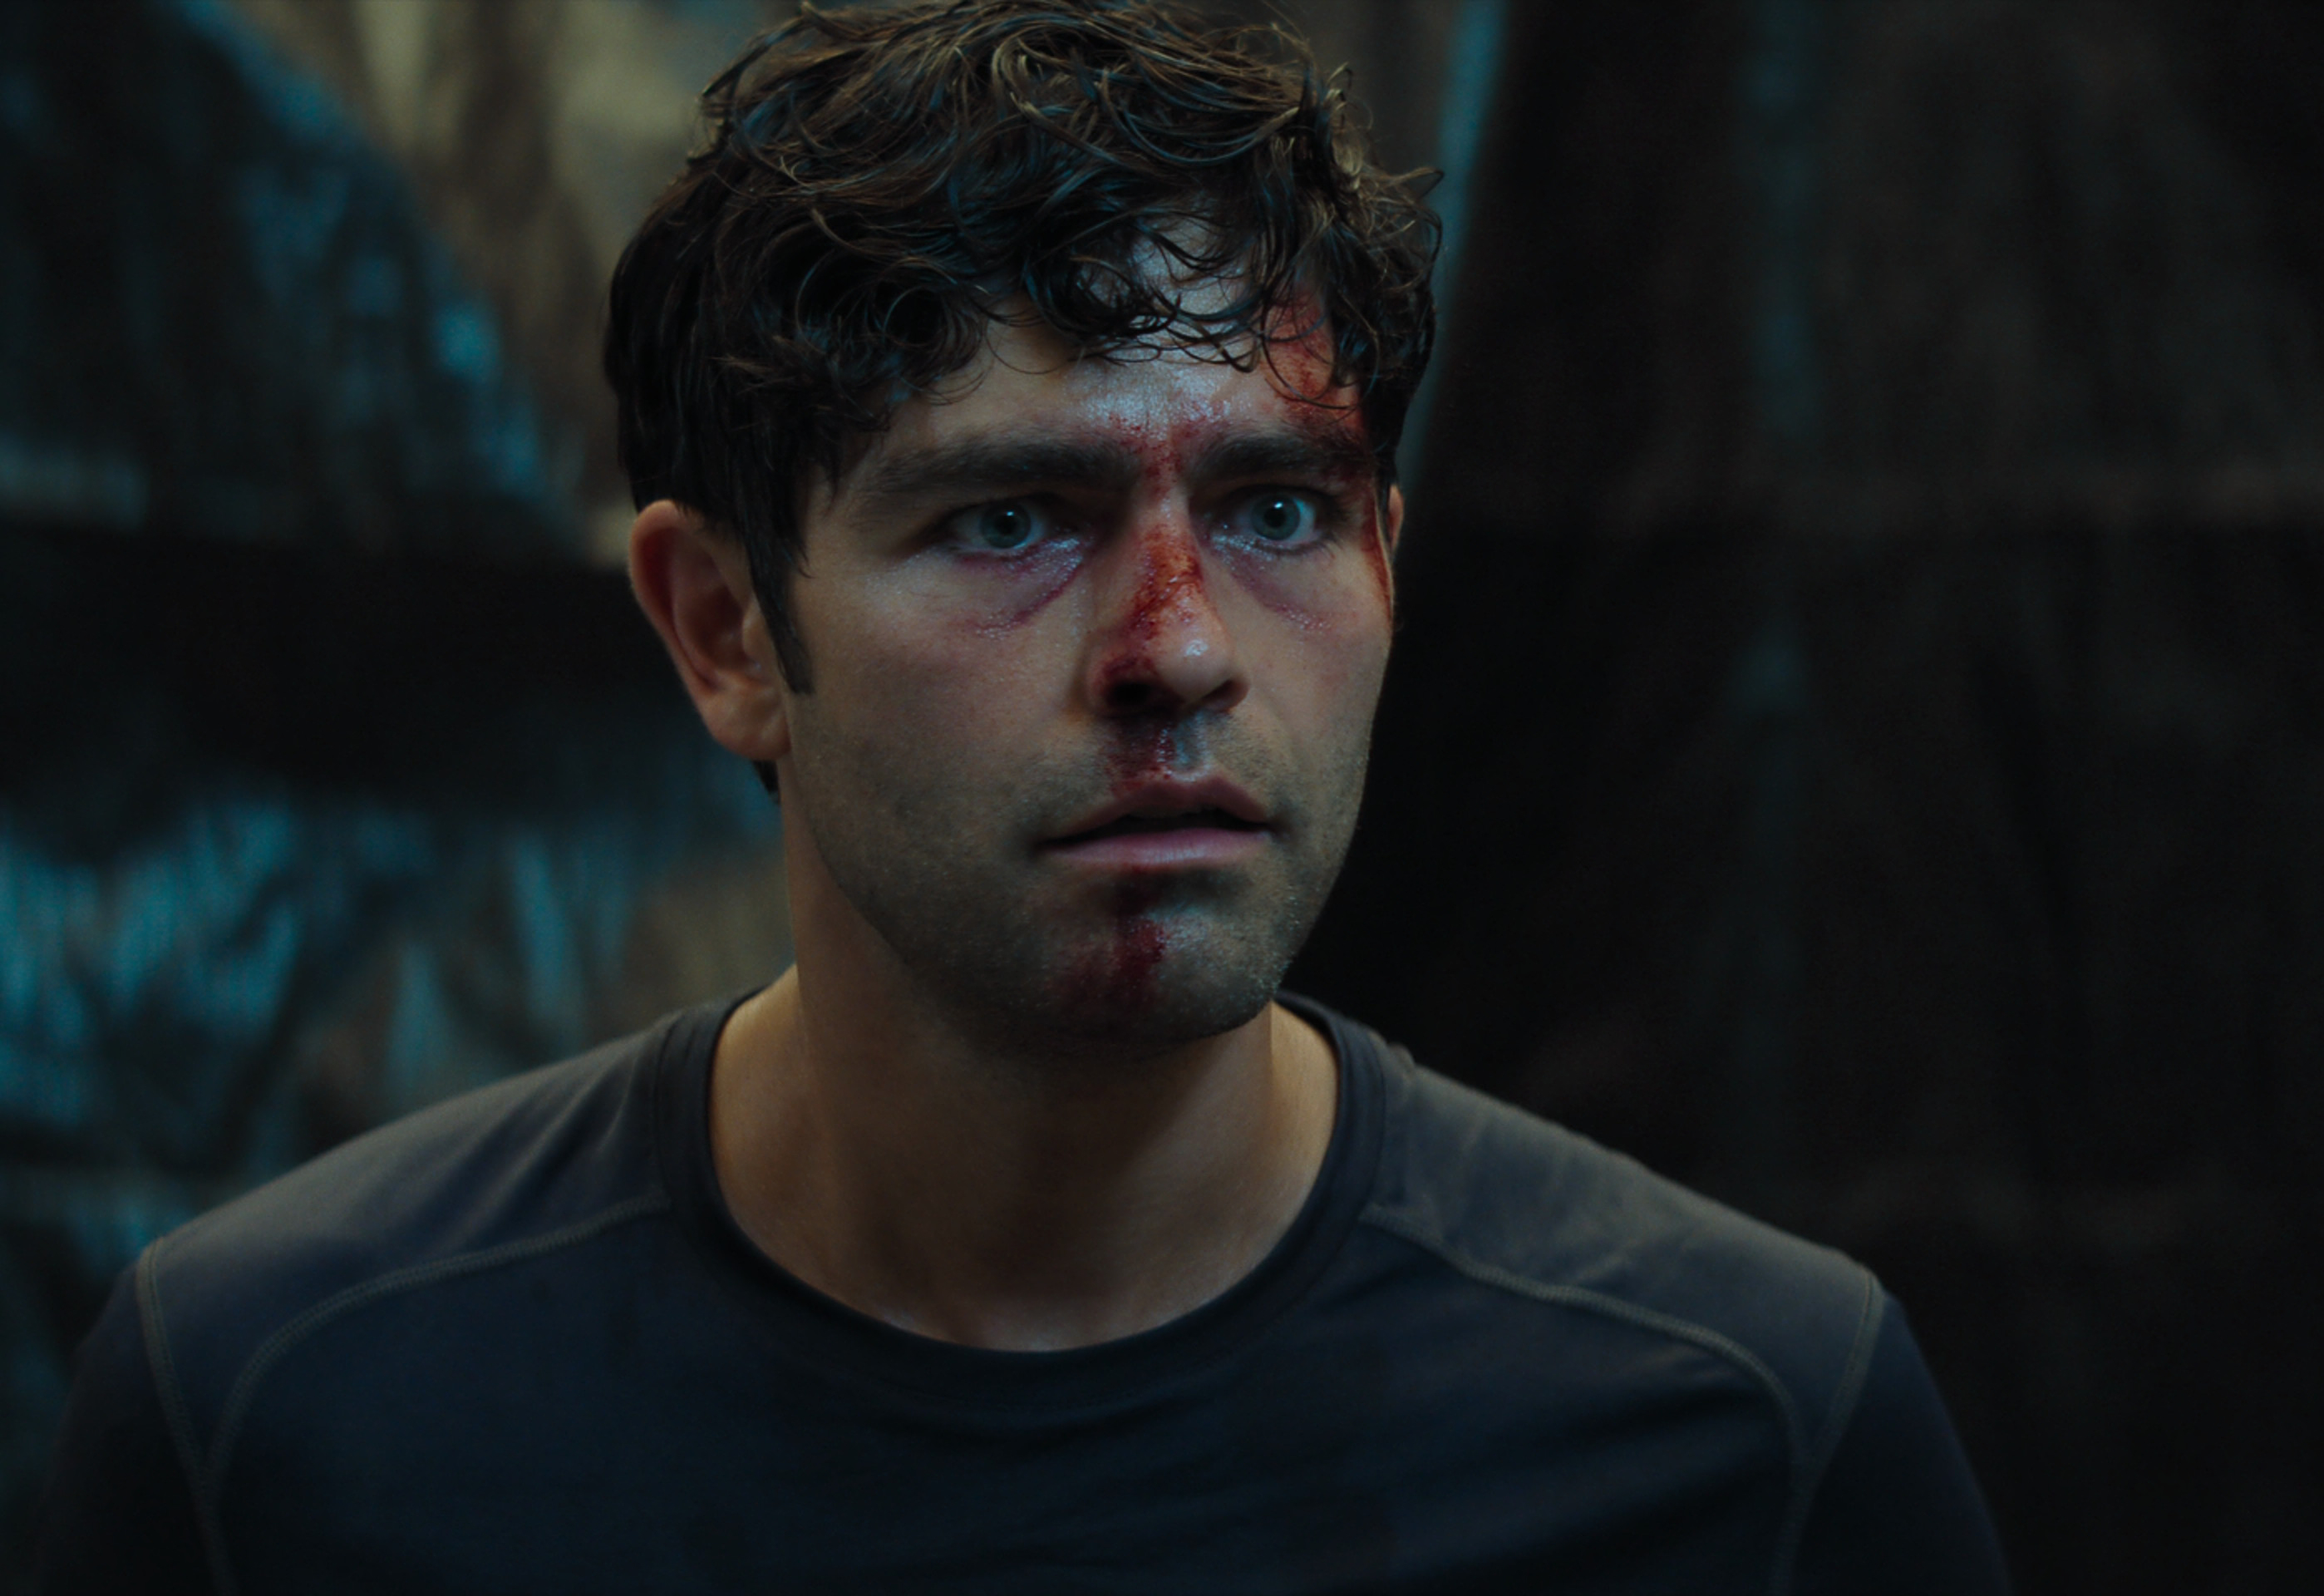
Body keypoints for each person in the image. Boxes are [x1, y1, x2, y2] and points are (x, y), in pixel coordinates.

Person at [37, 2, 2008, 1591]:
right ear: (725, 628)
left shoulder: (1744, 1434)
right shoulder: (282, 1414)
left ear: (1391, 568)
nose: (1180, 648)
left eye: (1279, 511)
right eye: (1011, 518)